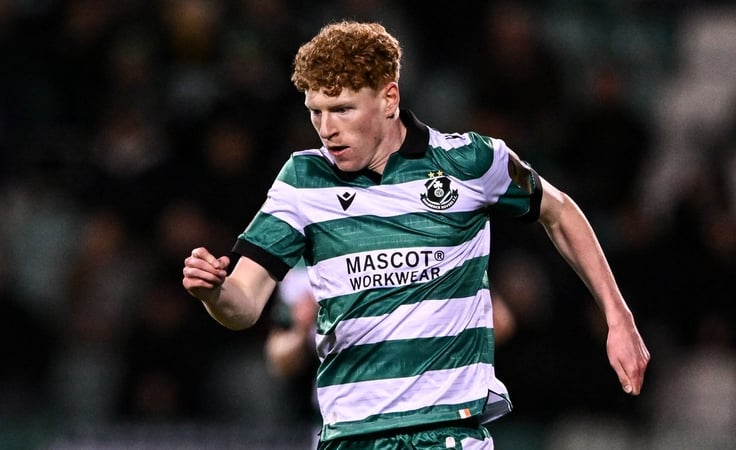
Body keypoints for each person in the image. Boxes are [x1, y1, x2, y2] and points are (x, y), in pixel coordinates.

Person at [183, 21, 650, 450]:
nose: (326, 129)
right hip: (350, 435)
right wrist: (214, 293)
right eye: (315, 112)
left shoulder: (469, 162)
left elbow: (560, 211)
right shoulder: (301, 180)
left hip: (449, 431)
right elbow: (244, 304)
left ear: (389, 99)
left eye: (342, 109)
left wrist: (618, 317)